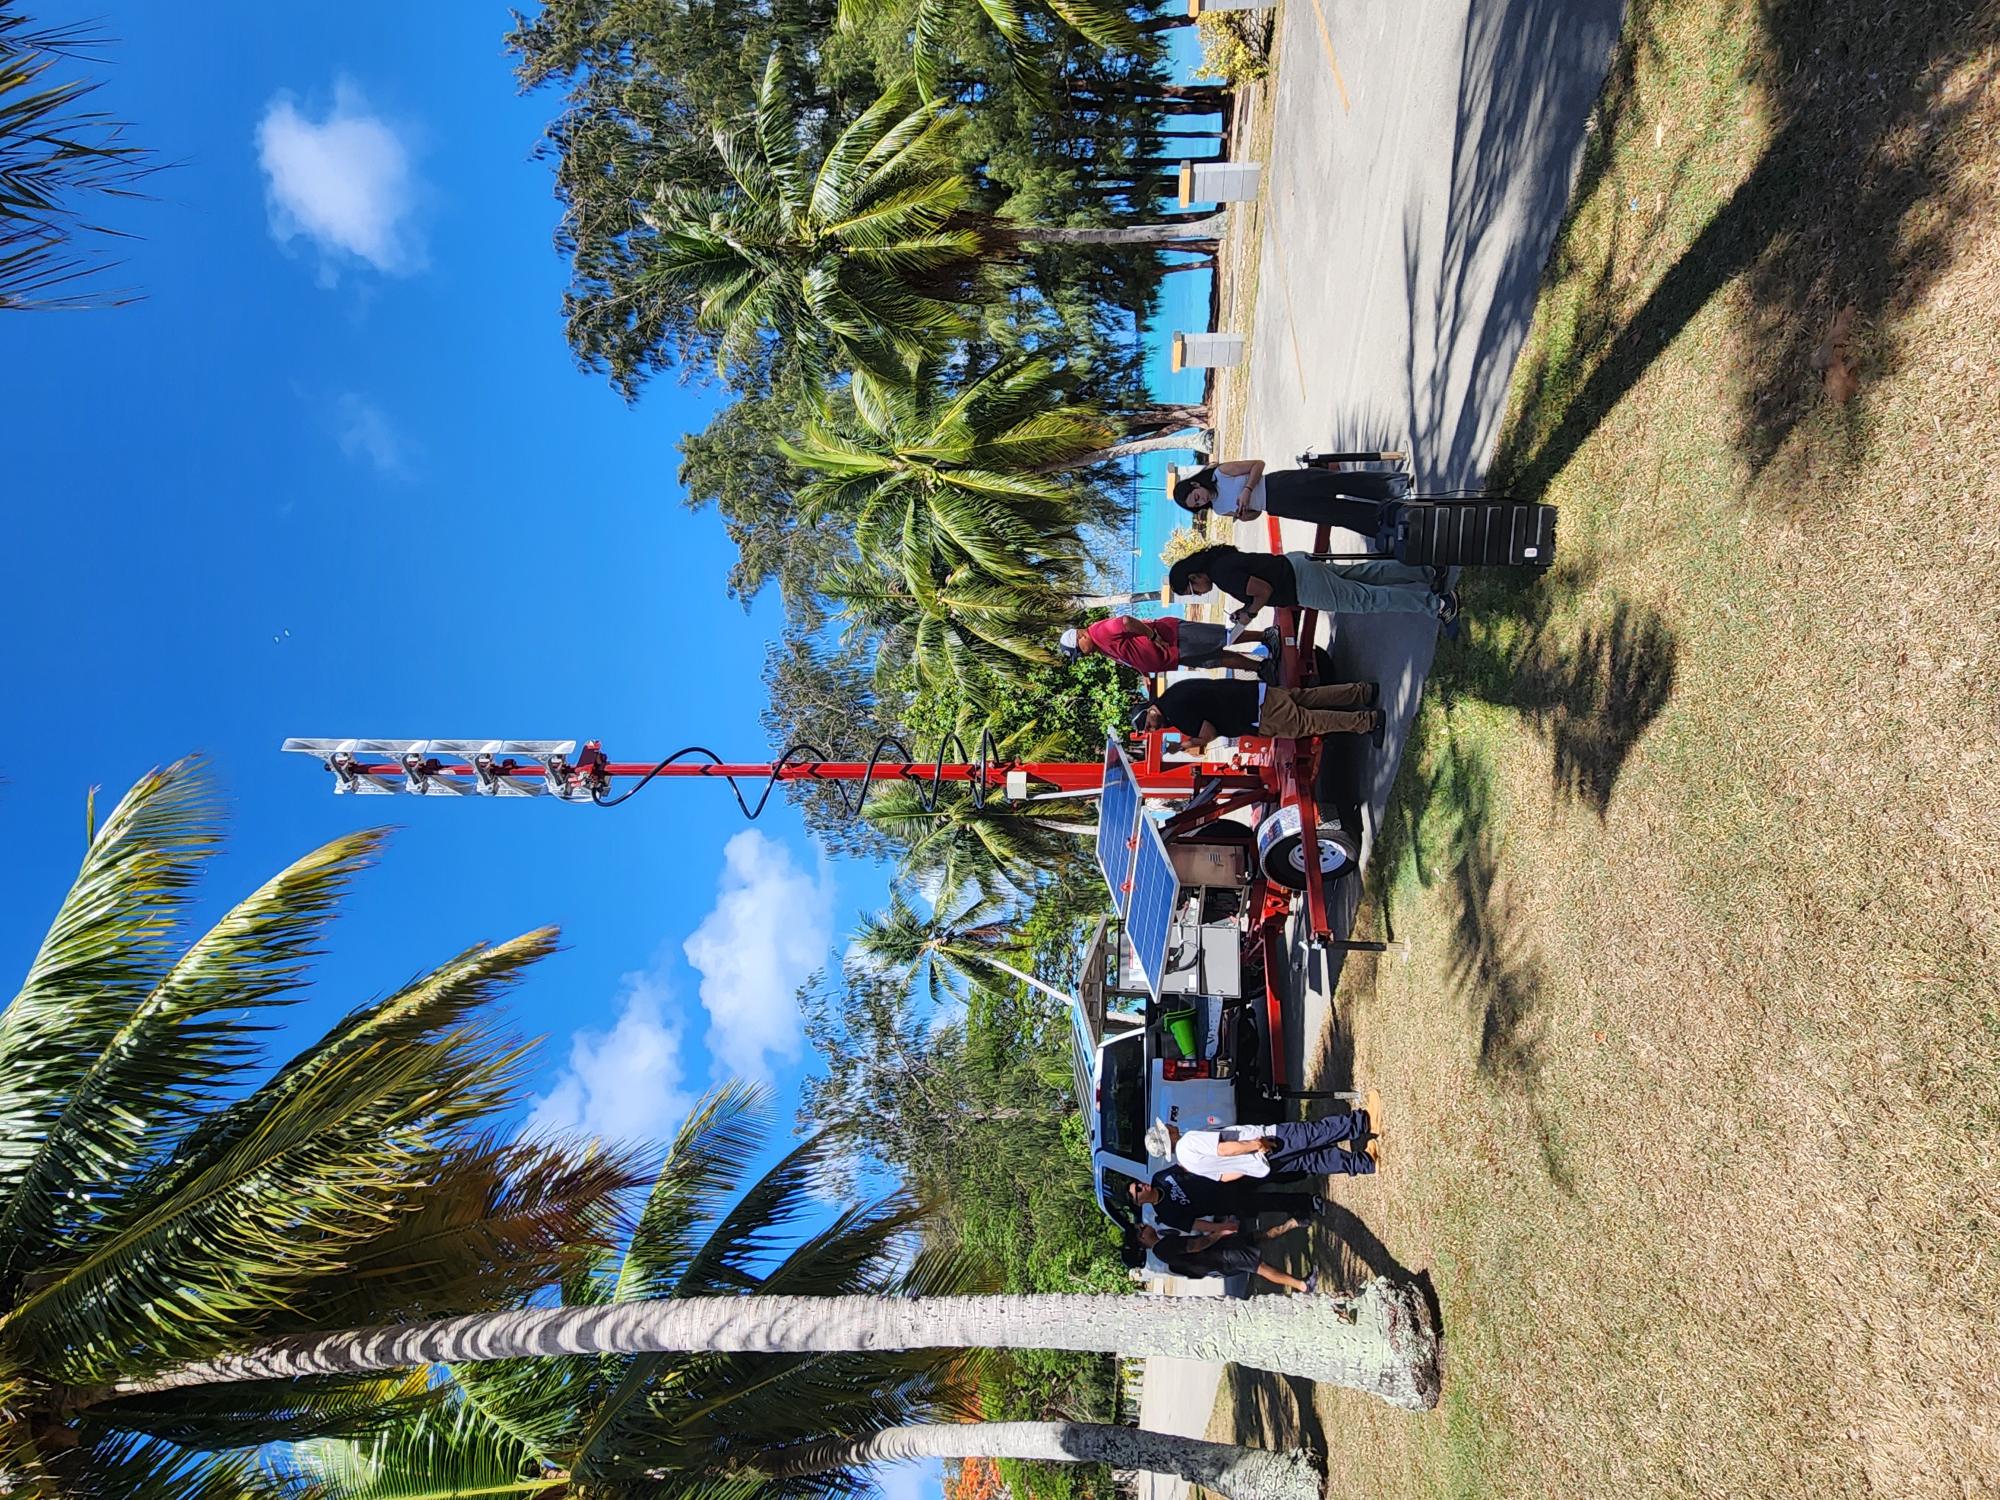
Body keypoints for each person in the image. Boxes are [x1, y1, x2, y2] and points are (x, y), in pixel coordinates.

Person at [1167, 544, 1457, 626]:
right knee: (1367, 574)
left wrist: (1250, 613)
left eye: (1192, 591)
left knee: (1366, 599)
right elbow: (1257, 584)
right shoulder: (1221, 561)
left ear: (1194, 577)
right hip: (1296, 565)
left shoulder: (1222, 575)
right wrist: (1246, 606)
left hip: (1301, 586)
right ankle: (1429, 571)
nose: (1198, 595)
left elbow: (1263, 591)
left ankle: (1438, 605)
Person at [1134, 675, 1385, 752]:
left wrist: (1184, 745)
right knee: (1309, 697)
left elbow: (1208, 733)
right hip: (1254, 693)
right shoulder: (1174, 692)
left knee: (1308, 722)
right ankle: (1362, 692)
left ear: (1151, 711)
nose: (1151, 731)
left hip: (1254, 714)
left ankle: (1368, 722)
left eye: (1147, 725)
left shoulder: (1176, 713)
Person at [1172, 458, 1406, 534]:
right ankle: (1390, 521)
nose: (1201, 501)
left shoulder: (1221, 473)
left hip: (1278, 484)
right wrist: (1244, 515)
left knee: (1336, 483)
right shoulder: (1220, 509)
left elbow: (1257, 464)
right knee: (1335, 514)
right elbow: (1254, 514)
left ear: (1195, 484)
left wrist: (1247, 489)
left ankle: (1394, 487)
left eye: (1196, 496)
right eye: (1197, 505)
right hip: (1277, 505)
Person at [1146, 1112, 1380, 1178]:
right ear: (1167, 1136)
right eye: (1164, 1128)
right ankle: (1360, 1123)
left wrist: (1250, 1165)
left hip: (1261, 1166)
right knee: (1310, 1133)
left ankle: (1364, 1163)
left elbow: (1223, 1176)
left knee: (1312, 1162)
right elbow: (1223, 1148)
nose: (1167, 1124)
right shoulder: (1188, 1141)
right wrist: (1255, 1145)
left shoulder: (1186, 1162)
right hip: (1261, 1144)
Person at [1122, 1222, 1320, 1294]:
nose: (1144, 1225)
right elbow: (1196, 1245)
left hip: (1220, 1250)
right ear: (1142, 1237)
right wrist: (1219, 1232)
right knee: (1260, 1266)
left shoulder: (1162, 1245)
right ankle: (1303, 1285)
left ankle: (1294, 1223)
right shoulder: (1163, 1248)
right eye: (1142, 1228)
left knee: (1256, 1237)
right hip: (1220, 1255)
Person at [1127, 1167, 1322, 1234]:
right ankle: (1309, 1202)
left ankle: (1306, 1171)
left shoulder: (1159, 1178)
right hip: (1225, 1202)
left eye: (1138, 1184)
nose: (1141, 1186)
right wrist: (1222, 1228)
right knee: (1267, 1202)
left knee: (1266, 1174)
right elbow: (1196, 1224)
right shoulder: (1165, 1214)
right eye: (1137, 1190)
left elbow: (1185, 1168)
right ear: (1139, 1202)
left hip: (1224, 1177)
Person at [1058, 616, 1264, 677]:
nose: (1083, 656)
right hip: (1172, 656)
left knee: (1221, 638)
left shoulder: (1099, 632)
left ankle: (1265, 636)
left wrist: (1153, 635)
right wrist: (1143, 671)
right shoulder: (1101, 647)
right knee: (1218, 659)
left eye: (1079, 651)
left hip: (1172, 637)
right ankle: (1260, 667)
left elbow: (1127, 622)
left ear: (1081, 636)